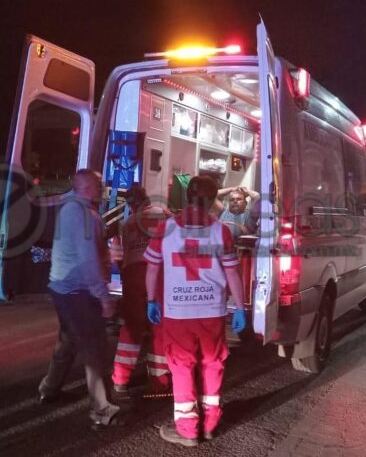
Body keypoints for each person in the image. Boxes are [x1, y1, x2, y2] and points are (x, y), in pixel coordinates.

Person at [144, 175, 247, 447]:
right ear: (214, 200)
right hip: (212, 310)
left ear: (187, 198)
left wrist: (151, 300)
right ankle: (211, 422)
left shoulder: (165, 229)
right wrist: (239, 306)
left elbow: (153, 267)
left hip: (177, 312)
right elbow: (232, 272)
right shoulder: (220, 230)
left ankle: (188, 428)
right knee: (213, 363)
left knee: (180, 366)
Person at [37, 169, 124, 430]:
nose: (102, 187)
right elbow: (88, 262)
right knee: (94, 348)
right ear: (87, 187)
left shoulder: (71, 207)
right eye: (98, 184)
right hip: (78, 291)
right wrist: (104, 296)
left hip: (62, 288)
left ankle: (49, 389)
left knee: (68, 340)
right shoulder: (83, 215)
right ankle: (103, 410)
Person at [110, 185, 172, 397]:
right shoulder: (165, 214)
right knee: (159, 328)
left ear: (131, 204)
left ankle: (120, 380)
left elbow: (118, 257)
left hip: (133, 274)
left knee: (131, 328)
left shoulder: (126, 224)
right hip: (159, 275)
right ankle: (159, 381)